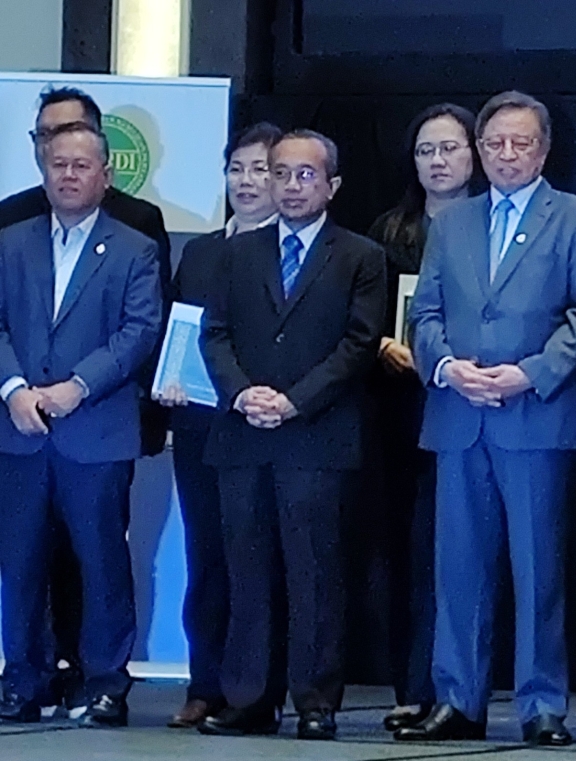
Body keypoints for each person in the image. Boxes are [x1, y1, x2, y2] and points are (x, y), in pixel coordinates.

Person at [396, 90, 576, 746]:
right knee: (458, 569)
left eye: (521, 143)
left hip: (535, 414)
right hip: (459, 411)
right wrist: (447, 366)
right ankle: (456, 697)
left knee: (539, 567)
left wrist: (531, 373)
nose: (507, 155)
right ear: (480, 151)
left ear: (544, 149)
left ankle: (542, 703)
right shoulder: (454, 221)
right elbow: (423, 311)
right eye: (495, 144)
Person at [198, 129, 386, 740]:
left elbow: (359, 343)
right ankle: (249, 699)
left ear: (331, 184)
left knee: (315, 574)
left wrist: (294, 400)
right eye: (281, 174)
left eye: (306, 175)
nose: (291, 185)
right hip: (244, 434)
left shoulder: (360, 256)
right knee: (247, 572)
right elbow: (214, 333)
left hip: (318, 435)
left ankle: (315, 700)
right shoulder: (236, 253)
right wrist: (242, 393)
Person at [0, 86, 172, 716]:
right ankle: (24, 679)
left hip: (96, 429)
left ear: (105, 174)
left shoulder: (135, 247)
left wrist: (77, 387)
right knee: (18, 566)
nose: (68, 176)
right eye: (57, 165)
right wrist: (14, 388)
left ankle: (105, 683)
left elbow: (139, 331)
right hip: (18, 431)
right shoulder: (9, 241)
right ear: (43, 171)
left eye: (81, 166)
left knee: (102, 564)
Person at [156, 121, 283, 729]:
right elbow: (184, 331)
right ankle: (204, 682)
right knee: (204, 556)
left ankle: (253, 688)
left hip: (266, 426)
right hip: (202, 423)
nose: (248, 181)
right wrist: (170, 379)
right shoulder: (202, 250)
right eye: (238, 169)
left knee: (254, 560)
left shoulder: (293, 249)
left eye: (262, 168)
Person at [367, 103, 478, 733]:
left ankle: (455, 686)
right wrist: (384, 345)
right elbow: (363, 318)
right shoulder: (388, 230)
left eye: (450, 149)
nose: (438, 162)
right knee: (402, 551)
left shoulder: (492, 226)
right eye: (426, 151)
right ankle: (411, 685)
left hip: (468, 401)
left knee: (454, 552)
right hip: (397, 405)